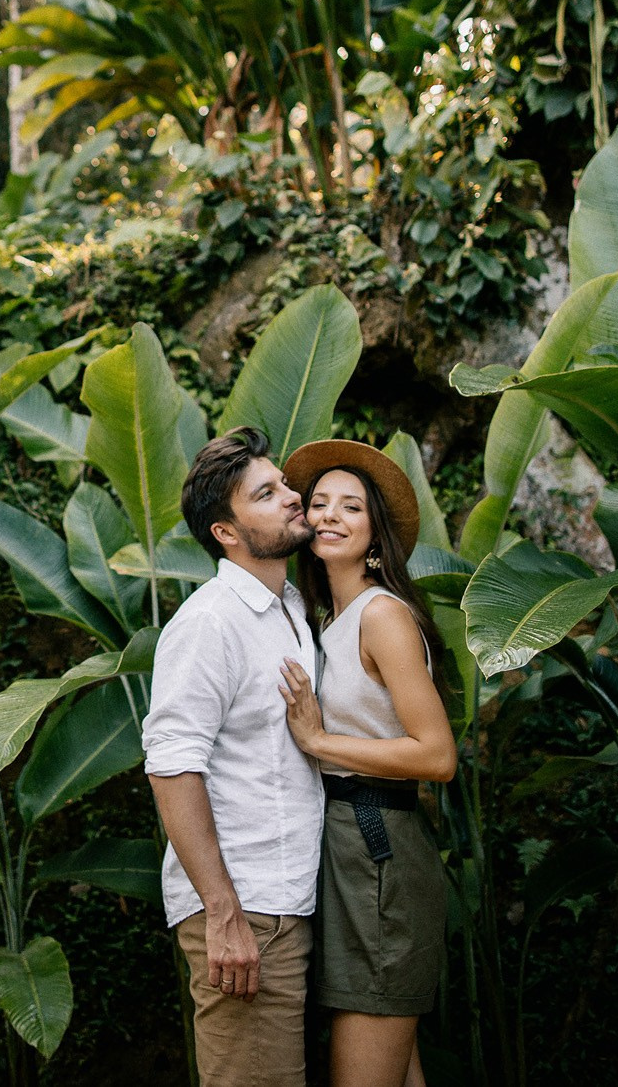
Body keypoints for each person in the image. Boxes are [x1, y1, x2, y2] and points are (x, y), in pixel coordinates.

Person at [144, 426, 324, 1087]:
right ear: (226, 532)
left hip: (291, 901)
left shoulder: (291, 607)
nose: (293, 497)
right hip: (246, 910)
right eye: (266, 494)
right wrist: (224, 913)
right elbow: (171, 767)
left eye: (284, 484)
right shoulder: (209, 622)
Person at [276, 440, 458, 1087]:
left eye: (350, 507)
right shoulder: (331, 621)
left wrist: (319, 742)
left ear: (376, 533)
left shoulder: (382, 617)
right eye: (319, 503)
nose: (330, 515)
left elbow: (437, 754)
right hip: (351, 852)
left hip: (378, 850)